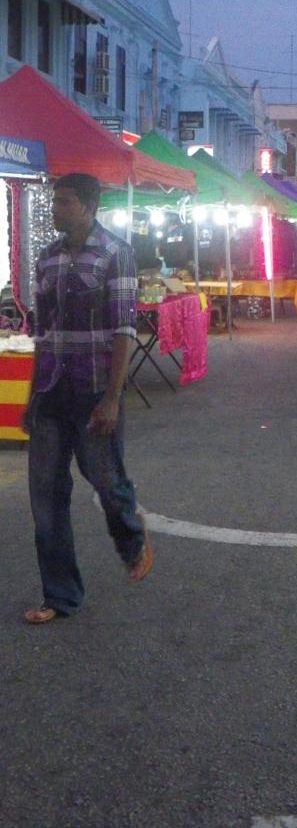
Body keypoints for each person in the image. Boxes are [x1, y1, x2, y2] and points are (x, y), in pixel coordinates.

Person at [23, 173, 152, 625]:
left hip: (94, 390)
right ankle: (60, 595)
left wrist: (113, 399)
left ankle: (131, 537)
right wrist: (31, 397)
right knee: (46, 498)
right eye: (54, 201)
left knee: (107, 482)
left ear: (89, 207)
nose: (55, 209)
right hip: (51, 393)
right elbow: (42, 333)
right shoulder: (46, 258)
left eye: (64, 202)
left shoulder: (116, 253)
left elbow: (124, 331)